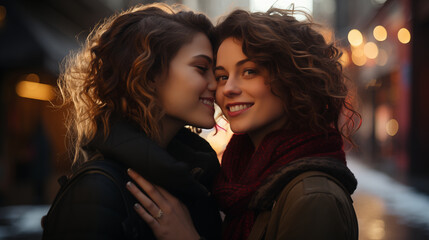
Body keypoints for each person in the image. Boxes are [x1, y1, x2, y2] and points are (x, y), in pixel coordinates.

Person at [126, 7, 361, 240]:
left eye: (249, 71)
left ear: (292, 79)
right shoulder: (242, 181)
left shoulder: (313, 197)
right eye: (222, 76)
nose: (228, 88)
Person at [41, 3, 222, 240]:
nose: (216, 84)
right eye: (201, 68)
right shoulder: (96, 190)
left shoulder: (198, 180)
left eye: (216, 72)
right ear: (147, 74)